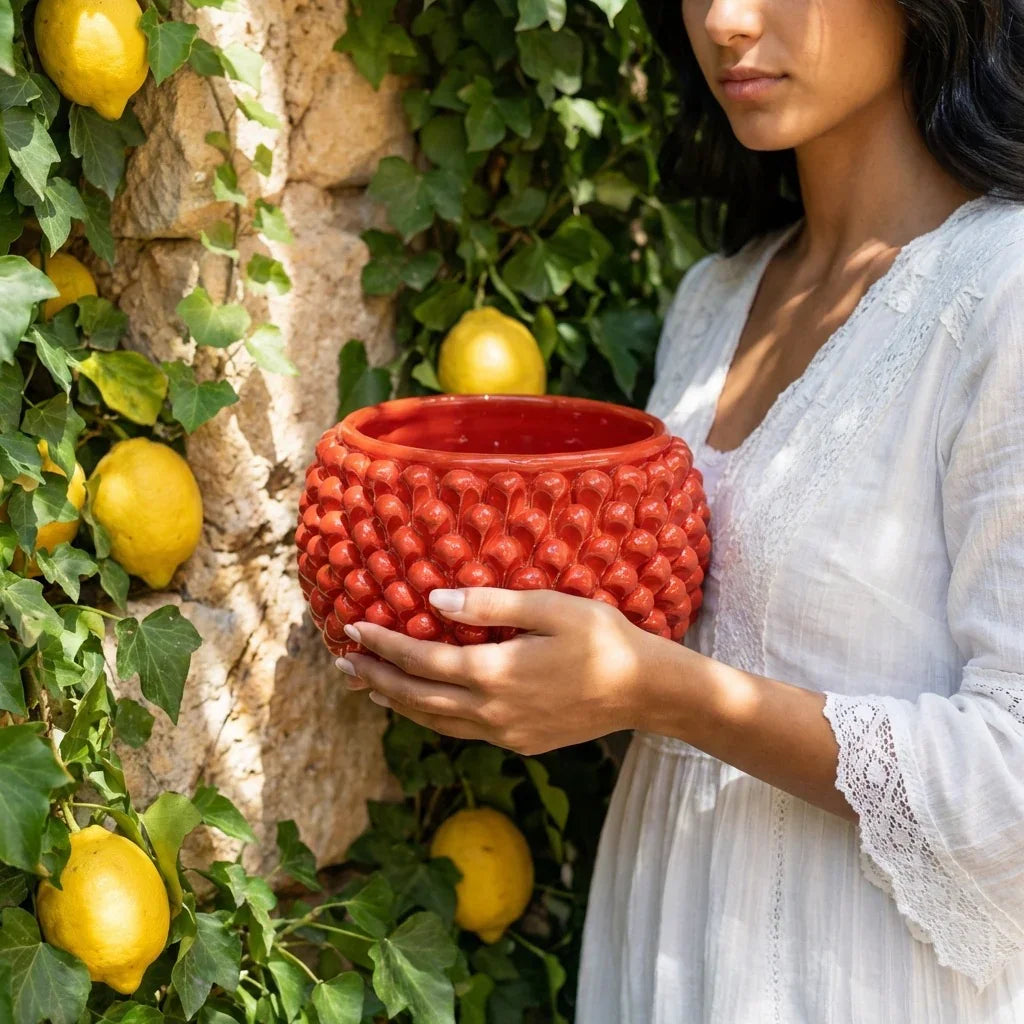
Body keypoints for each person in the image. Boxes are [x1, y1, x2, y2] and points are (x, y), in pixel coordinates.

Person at [333, 0, 1024, 1019]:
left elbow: (1009, 783)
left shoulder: (1004, 293)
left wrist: (662, 692)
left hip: (861, 981)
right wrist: (502, 664)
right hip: (662, 948)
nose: (728, 21)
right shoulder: (713, 298)